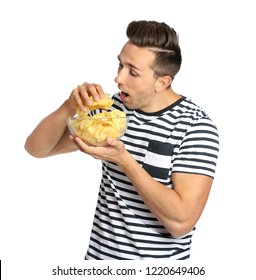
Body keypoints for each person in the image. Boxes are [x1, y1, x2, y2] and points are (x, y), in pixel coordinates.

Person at [24, 20, 219, 260]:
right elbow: (37, 148)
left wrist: (124, 160)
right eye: (120, 64)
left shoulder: (195, 127)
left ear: (162, 82)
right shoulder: (113, 110)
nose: (118, 78)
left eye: (132, 71)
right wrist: (69, 106)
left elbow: (181, 223)